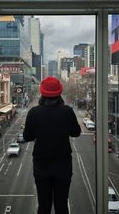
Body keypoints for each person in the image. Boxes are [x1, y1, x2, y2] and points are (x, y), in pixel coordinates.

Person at [23, 76, 81, 214]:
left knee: (44, 206)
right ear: (59, 93)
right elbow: (76, 132)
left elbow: (27, 136)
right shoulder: (67, 111)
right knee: (61, 205)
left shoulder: (33, 113)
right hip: (63, 165)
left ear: (42, 93)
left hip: (41, 165)